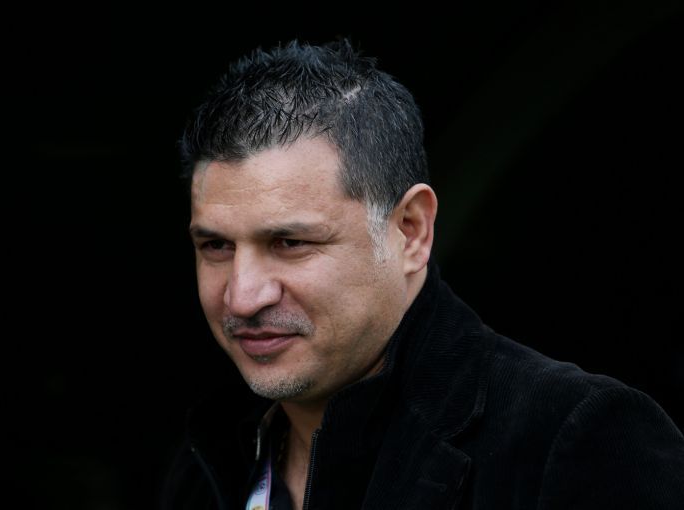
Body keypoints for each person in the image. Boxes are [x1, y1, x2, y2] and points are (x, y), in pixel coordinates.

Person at [161, 39, 684, 510]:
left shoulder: (578, 440)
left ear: (410, 231)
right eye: (216, 246)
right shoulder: (209, 457)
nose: (243, 296)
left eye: (290, 243)